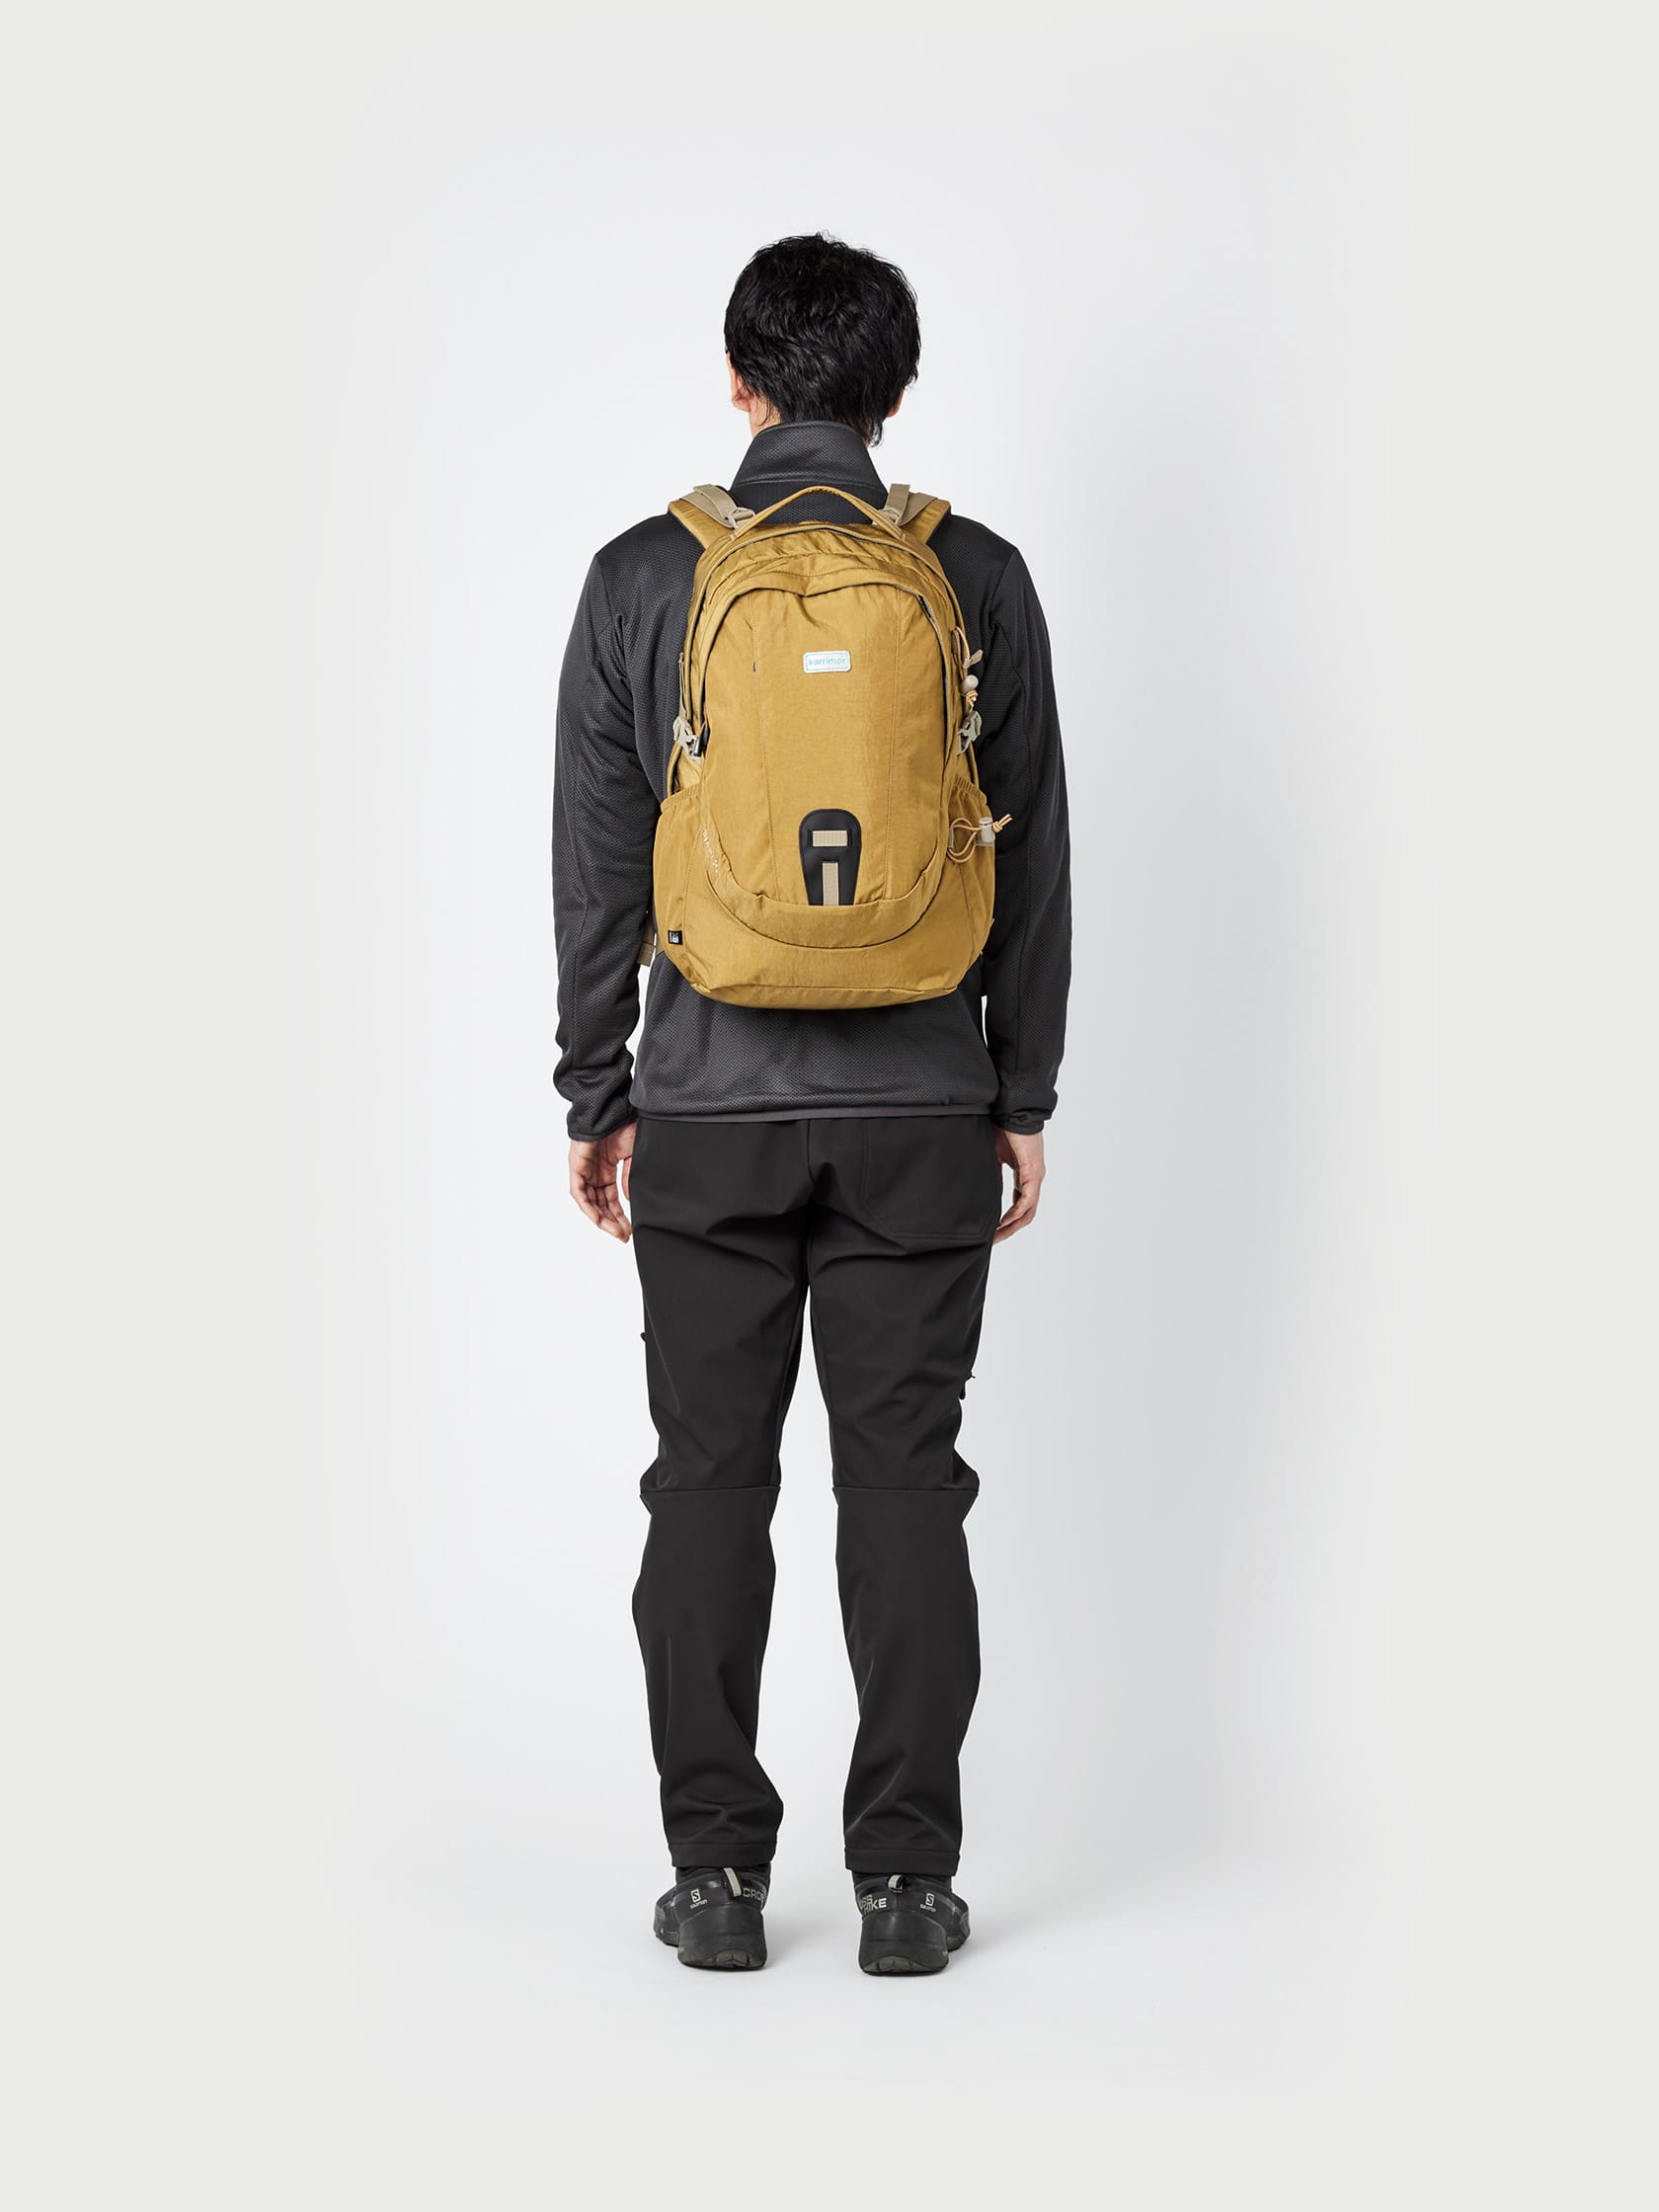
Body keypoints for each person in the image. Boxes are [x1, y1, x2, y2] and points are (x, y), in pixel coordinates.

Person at [552, 233, 1070, 1974]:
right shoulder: (973, 575)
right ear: (894, 390)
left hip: (704, 1108)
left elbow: (597, 869)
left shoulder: (646, 575)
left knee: (707, 1483)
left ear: (739, 380)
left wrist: (598, 1092)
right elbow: (1035, 858)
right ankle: (908, 1887)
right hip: (922, 1106)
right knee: (905, 1483)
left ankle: (715, 1878)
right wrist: (1021, 1088)